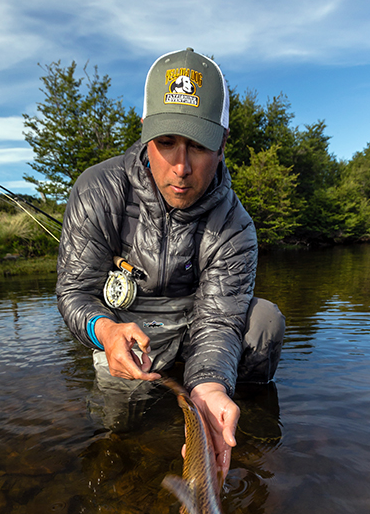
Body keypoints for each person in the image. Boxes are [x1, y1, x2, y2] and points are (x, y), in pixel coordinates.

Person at [57, 48, 285, 479]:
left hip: (199, 324)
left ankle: (236, 417)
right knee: (117, 425)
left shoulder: (236, 227)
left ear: (222, 144)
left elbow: (218, 321)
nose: (181, 167)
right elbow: (74, 294)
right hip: (127, 331)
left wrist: (211, 386)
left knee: (263, 322)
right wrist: (104, 330)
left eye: (198, 146)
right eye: (166, 143)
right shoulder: (97, 190)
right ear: (145, 134)